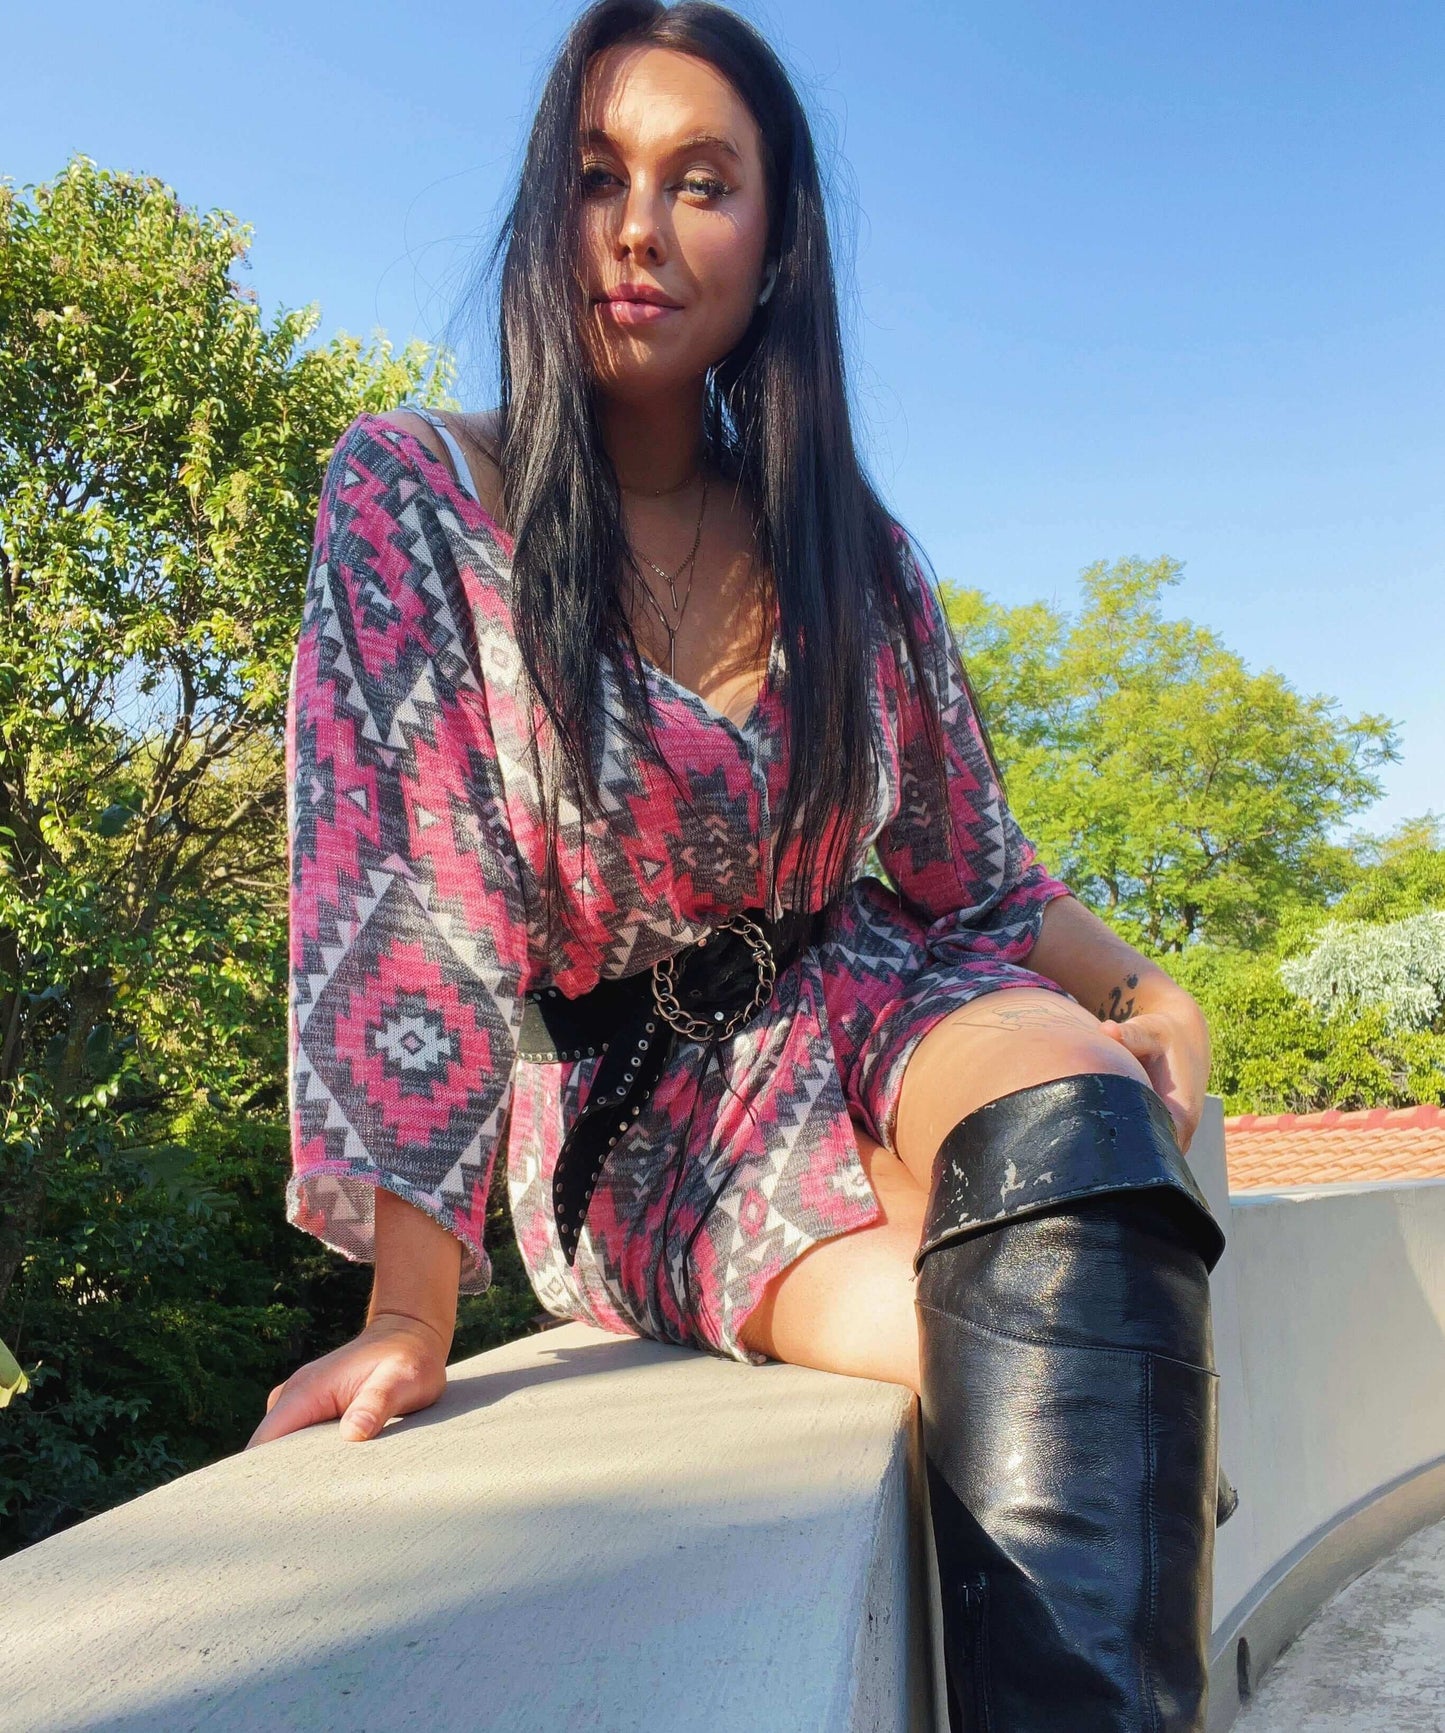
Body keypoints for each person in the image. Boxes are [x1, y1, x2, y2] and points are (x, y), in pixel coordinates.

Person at [248, 2, 1228, 1726]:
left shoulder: (856, 549)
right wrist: (409, 1302)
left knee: (1082, 1111)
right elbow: (408, 898)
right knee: (1035, 1342)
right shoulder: (420, 494)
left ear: (773, 245)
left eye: (702, 183)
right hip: (646, 1108)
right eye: (595, 176)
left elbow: (972, 871)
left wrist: (1147, 990)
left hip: (868, 992)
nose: (638, 225)